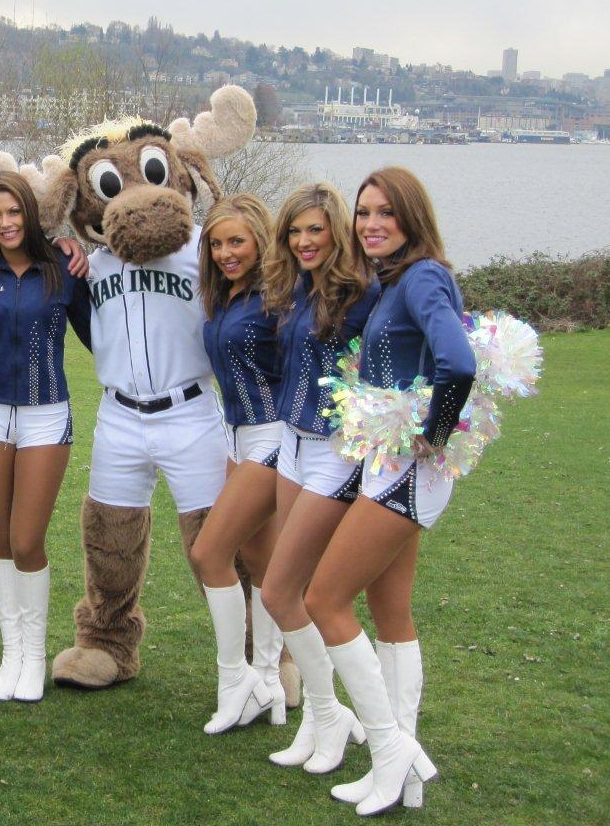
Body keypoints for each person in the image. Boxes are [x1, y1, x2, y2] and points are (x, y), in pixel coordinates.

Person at [302, 168, 473, 815]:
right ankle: (400, 770)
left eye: (386, 214)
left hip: (407, 469)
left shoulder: (424, 275)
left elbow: (457, 361)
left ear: (411, 219)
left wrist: (434, 431)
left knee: (324, 596)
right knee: (391, 612)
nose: (371, 224)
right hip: (392, 466)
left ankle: (388, 746)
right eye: (364, 213)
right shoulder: (394, 280)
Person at [258, 182, 381, 774]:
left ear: (337, 230)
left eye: (315, 229)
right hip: (290, 442)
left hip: (335, 451)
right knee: (287, 589)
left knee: (285, 592)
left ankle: (331, 715)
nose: (304, 241)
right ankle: (320, 717)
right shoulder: (296, 289)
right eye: (295, 231)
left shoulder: (362, 294)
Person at [0, 170, 91, 703]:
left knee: (27, 540)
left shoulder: (63, 266)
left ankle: (34, 656)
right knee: (0, 539)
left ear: (30, 214)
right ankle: (10, 654)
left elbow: (101, 332)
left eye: (14, 211)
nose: (6, 222)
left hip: (46, 415)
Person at [189, 193, 286, 733]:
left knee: (209, 554)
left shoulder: (279, 296)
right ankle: (268, 680)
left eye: (237, 242)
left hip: (272, 436)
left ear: (260, 242)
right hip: (236, 436)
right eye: (217, 243)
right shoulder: (224, 296)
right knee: (265, 568)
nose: (226, 253)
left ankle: (237, 680)